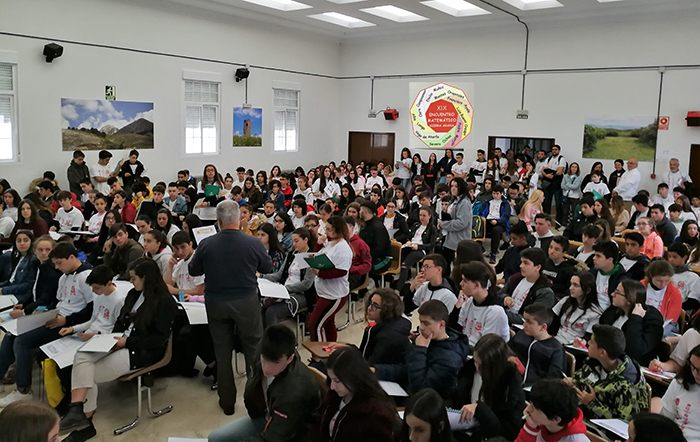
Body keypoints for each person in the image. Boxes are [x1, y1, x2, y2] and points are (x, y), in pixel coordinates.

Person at [59, 258, 175, 441]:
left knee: (88, 373)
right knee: (81, 357)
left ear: (146, 278)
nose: (130, 282)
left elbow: (158, 340)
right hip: (117, 341)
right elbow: (120, 323)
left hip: (140, 351)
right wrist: (107, 340)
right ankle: (77, 411)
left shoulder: (164, 302)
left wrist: (126, 342)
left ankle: (84, 421)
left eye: (134, 278)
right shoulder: (133, 294)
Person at [188, 200, 273, 415]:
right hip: (246, 302)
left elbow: (193, 269)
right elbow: (267, 266)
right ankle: (256, 401)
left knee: (222, 352)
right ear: (239, 219)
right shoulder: (253, 243)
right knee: (253, 350)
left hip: (216, 303)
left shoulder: (207, 244)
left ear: (218, 220)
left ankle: (227, 403)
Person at [0, 243, 93, 407]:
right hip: (55, 316)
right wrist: (42, 311)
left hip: (70, 324)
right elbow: (57, 302)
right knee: (10, 335)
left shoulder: (86, 277)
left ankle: (23, 390)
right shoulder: (64, 277)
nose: (56, 267)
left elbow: (92, 311)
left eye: (59, 263)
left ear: (71, 258)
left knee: (22, 341)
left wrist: (66, 321)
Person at [208, 325, 322, 442]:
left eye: (276, 362)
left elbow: (273, 439)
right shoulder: (263, 350)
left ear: (290, 358)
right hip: (267, 416)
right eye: (264, 359)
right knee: (215, 438)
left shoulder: (294, 393)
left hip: (290, 433)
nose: (267, 368)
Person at [375, 300, 470, 398]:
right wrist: (376, 371)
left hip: (424, 403)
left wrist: (420, 350)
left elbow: (421, 389)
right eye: (420, 322)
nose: (421, 327)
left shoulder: (449, 358)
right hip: (408, 391)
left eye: (426, 323)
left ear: (441, 325)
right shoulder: (428, 341)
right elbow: (406, 368)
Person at [308, 346, 397, 442]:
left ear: (354, 378)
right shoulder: (335, 395)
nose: (332, 386)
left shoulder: (375, 415)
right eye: (331, 379)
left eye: (337, 381)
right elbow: (319, 426)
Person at [452, 334, 526, 441]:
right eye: (475, 361)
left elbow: (506, 432)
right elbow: (457, 397)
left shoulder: (509, 386)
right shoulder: (470, 370)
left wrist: (480, 409)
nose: (477, 367)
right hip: (466, 430)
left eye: (481, 365)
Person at [568, 324, 648, 420]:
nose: (588, 343)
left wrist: (591, 403)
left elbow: (621, 423)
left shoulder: (627, 384)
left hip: (603, 430)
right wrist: (570, 384)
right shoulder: (594, 362)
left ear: (602, 352)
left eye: (592, 342)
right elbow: (579, 381)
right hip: (581, 415)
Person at [596, 280, 663, 366]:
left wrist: (636, 319)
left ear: (629, 298)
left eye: (617, 292)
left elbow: (635, 351)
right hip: (606, 360)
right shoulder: (614, 311)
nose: (612, 294)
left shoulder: (652, 319)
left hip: (632, 366)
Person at [308, 216, 353, 342]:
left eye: (328, 229)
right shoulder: (329, 242)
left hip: (334, 294)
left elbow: (341, 271)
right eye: (325, 229)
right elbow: (317, 256)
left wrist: (320, 273)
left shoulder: (343, 247)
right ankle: (330, 349)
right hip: (322, 290)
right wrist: (318, 244)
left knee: (314, 324)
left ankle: (318, 356)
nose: (325, 232)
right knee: (328, 323)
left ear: (337, 230)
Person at [261, 227, 317, 326]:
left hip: (302, 294)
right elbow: (279, 275)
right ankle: (263, 336)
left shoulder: (311, 257)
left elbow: (306, 284)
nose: (293, 244)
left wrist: (284, 289)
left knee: (272, 312)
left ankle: (275, 339)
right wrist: (261, 276)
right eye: (293, 241)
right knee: (261, 307)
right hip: (285, 290)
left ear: (305, 240)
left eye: (296, 241)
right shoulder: (292, 254)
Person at [451, 261, 510, 346]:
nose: (461, 284)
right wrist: (457, 306)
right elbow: (454, 328)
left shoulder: (495, 312)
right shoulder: (468, 301)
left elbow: (487, 346)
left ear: (477, 285)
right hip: (464, 346)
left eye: (465, 281)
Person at [510, 303, 565, 386]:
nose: (524, 325)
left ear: (543, 327)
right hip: (512, 381)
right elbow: (506, 351)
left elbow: (553, 380)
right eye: (525, 320)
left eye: (529, 322)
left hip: (534, 390)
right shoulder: (521, 335)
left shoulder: (555, 350)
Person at [516, 379, 589, 442]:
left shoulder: (577, 440)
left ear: (556, 419)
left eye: (537, 408)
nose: (529, 408)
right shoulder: (537, 423)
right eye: (532, 403)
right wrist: (530, 429)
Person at [498, 248, 555, 326]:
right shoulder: (515, 279)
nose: (521, 266)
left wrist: (500, 313)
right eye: (521, 262)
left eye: (526, 263)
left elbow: (532, 319)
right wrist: (505, 297)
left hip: (520, 327)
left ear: (538, 267)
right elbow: (498, 295)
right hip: (504, 317)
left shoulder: (545, 292)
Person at [658, 344, 700, 441]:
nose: (694, 373)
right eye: (692, 366)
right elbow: (664, 420)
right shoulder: (680, 383)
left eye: (699, 370)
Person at [551, 272, 603, 345]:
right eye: (571, 284)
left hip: (573, 346)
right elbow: (552, 324)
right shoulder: (565, 301)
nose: (570, 288)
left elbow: (588, 338)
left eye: (575, 285)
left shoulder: (595, 313)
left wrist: (582, 342)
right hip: (555, 340)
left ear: (587, 290)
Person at [440, 177, 472, 266]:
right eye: (452, 186)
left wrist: (443, 224)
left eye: (456, 186)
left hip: (459, 240)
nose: (453, 188)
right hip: (449, 239)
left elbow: (462, 223)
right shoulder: (453, 199)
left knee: (458, 268)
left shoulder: (464, 202)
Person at [590, 240, 627, 310]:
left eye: (598, 256)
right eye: (594, 255)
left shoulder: (621, 280)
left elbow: (618, 307)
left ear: (610, 260)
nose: (594, 258)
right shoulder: (592, 272)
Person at [359, 201, 392, 275]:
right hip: (370, 256)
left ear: (364, 211)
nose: (359, 212)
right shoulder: (366, 224)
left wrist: (365, 256)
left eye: (360, 210)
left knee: (362, 269)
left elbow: (380, 248)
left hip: (382, 259)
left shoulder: (377, 226)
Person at [481, 184, 511, 264]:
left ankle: (493, 253)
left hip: (499, 223)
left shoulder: (505, 203)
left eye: (497, 194)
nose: (495, 195)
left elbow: (506, 216)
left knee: (496, 231)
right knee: (478, 227)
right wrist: (483, 217)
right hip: (488, 220)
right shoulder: (488, 201)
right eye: (494, 193)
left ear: (501, 194)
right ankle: (479, 249)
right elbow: (482, 211)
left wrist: (498, 221)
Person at [667, 243, 700, 311]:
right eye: (669, 256)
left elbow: (693, 302)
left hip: (681, 310)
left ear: (685, 257)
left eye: (675, 257)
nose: (671, 260)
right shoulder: (664, 274)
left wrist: (674, 307)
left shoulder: (693, 277)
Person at [543, 236, 578, 300]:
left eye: (557, 249)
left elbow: (568, 291)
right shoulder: (544, 263)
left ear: (564, 252)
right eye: (550, 247)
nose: (552, 251)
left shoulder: (570, 270)